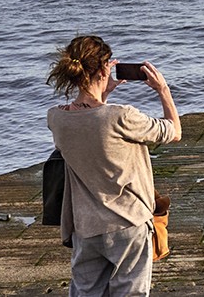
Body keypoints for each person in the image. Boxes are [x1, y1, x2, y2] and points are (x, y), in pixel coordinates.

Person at [45, 35, 182, 297]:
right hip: (127, 221)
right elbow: (174, 132)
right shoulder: (121, 115)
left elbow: (91, 124)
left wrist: (102, 94)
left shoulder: (57, 118)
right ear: (103, 69)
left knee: (86, 293)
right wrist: (163, 90)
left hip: (84, 226)